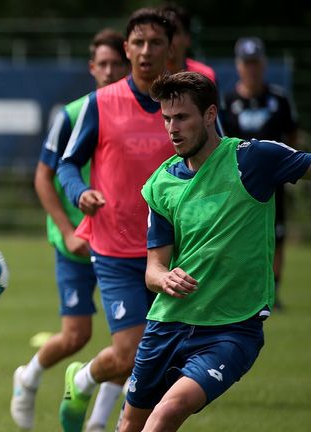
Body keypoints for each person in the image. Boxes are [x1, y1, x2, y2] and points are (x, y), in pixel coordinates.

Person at [119, 71, 311, 431]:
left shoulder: (252, 159)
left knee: (167, 411)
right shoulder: (161, 183)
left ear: (209, 115)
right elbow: (153, 269)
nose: (172, 128)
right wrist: (165, 278)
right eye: (166, 119)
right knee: (131, 422)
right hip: (167, 323)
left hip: (232, 329)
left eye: (182, 117)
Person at [55, 9, 177, 432]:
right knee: (130, 354)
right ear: (126, 50)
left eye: (155, 42)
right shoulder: (99, 103)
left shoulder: (185, 105)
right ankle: (82, 379)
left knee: (162, 360)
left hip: (174, 250)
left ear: (171, 50)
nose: (146, 51)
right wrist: (79, 193)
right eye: (138, 43)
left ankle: (115, 414)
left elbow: (221, 158)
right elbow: (66, 166)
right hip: (114, 247)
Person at [10, 28, 130, 432]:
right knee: (76, 336)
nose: (110, 71)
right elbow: (44, 177)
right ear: (91, 68)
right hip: (75, 241)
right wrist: (66, 231)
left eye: (117, 64)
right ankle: (27, 378)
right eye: (103, 64)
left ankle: (97, 422)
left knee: (131, 341)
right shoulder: (75, 114)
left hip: (123, 241)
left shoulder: (139, 112)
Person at [219, 36, 299, 310]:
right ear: (238, 66)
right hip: (238, 182)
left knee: (276, 235)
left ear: (262, 64)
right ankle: (242, 289)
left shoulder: (279, 98)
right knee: (238, 235)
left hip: (275, 180)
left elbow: (293, 133)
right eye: (246, 63)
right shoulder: (227, 102)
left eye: (255, 63)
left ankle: (273, 291)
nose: (251, 68)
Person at [160, 3, 217, 83]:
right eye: (164, 32)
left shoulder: (205, 77)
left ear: (187, 38)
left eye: (174, 32)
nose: (168, 38)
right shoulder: (144, 76)